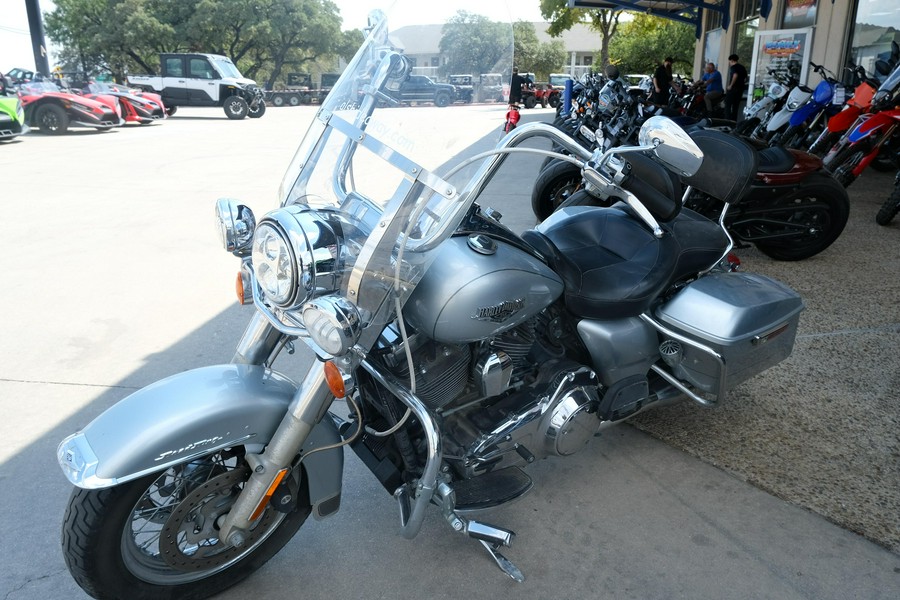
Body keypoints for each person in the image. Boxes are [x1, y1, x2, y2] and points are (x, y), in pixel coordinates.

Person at [725, 53, 748, 121]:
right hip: (740, 89)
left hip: (733, 89)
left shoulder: (733, 67)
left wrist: (730, 85)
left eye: (729, 61)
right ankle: (733, 122)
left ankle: (726, 121)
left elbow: (735, 75)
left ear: (732, 60)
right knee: (735, 107)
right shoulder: (742, 67)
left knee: (728, 105)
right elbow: (746, 78)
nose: (729, 63)